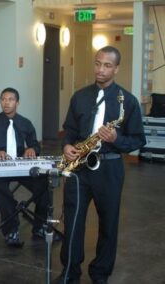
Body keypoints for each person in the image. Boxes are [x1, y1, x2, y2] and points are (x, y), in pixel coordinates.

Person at [57, 46, 146, 284]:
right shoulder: (80, 96)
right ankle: (69, 273)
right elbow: (70, 131)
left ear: (116, 68)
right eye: (98, 63)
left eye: (107, 65)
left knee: (109, 224)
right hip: (79, 168)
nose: (101, 69)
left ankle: (100, 274)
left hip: (109, 168)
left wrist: (116, 139)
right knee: (73, 222)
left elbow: (138, 139)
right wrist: (67, 146)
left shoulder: (128, 101)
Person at [0, 87, 58, 247]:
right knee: (3, 193)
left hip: (22, 168)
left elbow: (36, 146)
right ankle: (11, 231)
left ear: (17, 103)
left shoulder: (26, 123)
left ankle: (40, 227)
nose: (6, 103)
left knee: (43, 187)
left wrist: (32, 149)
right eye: (3, 99)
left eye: (10, 99)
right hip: (0, 170)